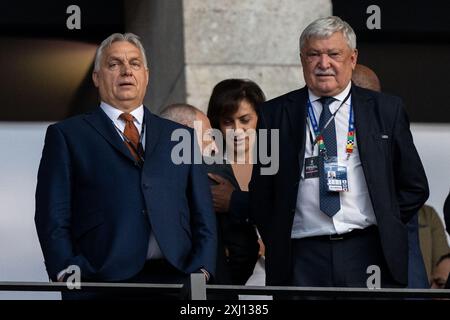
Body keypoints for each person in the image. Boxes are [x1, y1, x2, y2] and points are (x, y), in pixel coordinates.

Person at [250, 16, 429, 290]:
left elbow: (414, 185)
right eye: (314, 55)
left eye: (334, 54)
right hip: (300, 257)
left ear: (353, 58)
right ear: (302, 59)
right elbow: (262, 193)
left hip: (369, 252)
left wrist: (385, 220)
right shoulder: (273, 114)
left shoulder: (385, 110)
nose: (324, 64)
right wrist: (278, 237)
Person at [34, 33, 216, 299]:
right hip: (100, 282)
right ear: (97, 77)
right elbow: (52, 213)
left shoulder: (181, 136)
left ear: (146, 75)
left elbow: (203, 212)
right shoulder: (67, 135)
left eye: (134, 63)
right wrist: (65, 270)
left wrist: (202, 269)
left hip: (178, 281)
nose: (126, 71)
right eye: (114, 64)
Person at [206, 79, 266, 286]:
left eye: (245, 120)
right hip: (230, 280)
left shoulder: (280, 163)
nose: (237, 131)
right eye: (228, 122)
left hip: (281, 271)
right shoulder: (211, 168)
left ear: (260, 118)